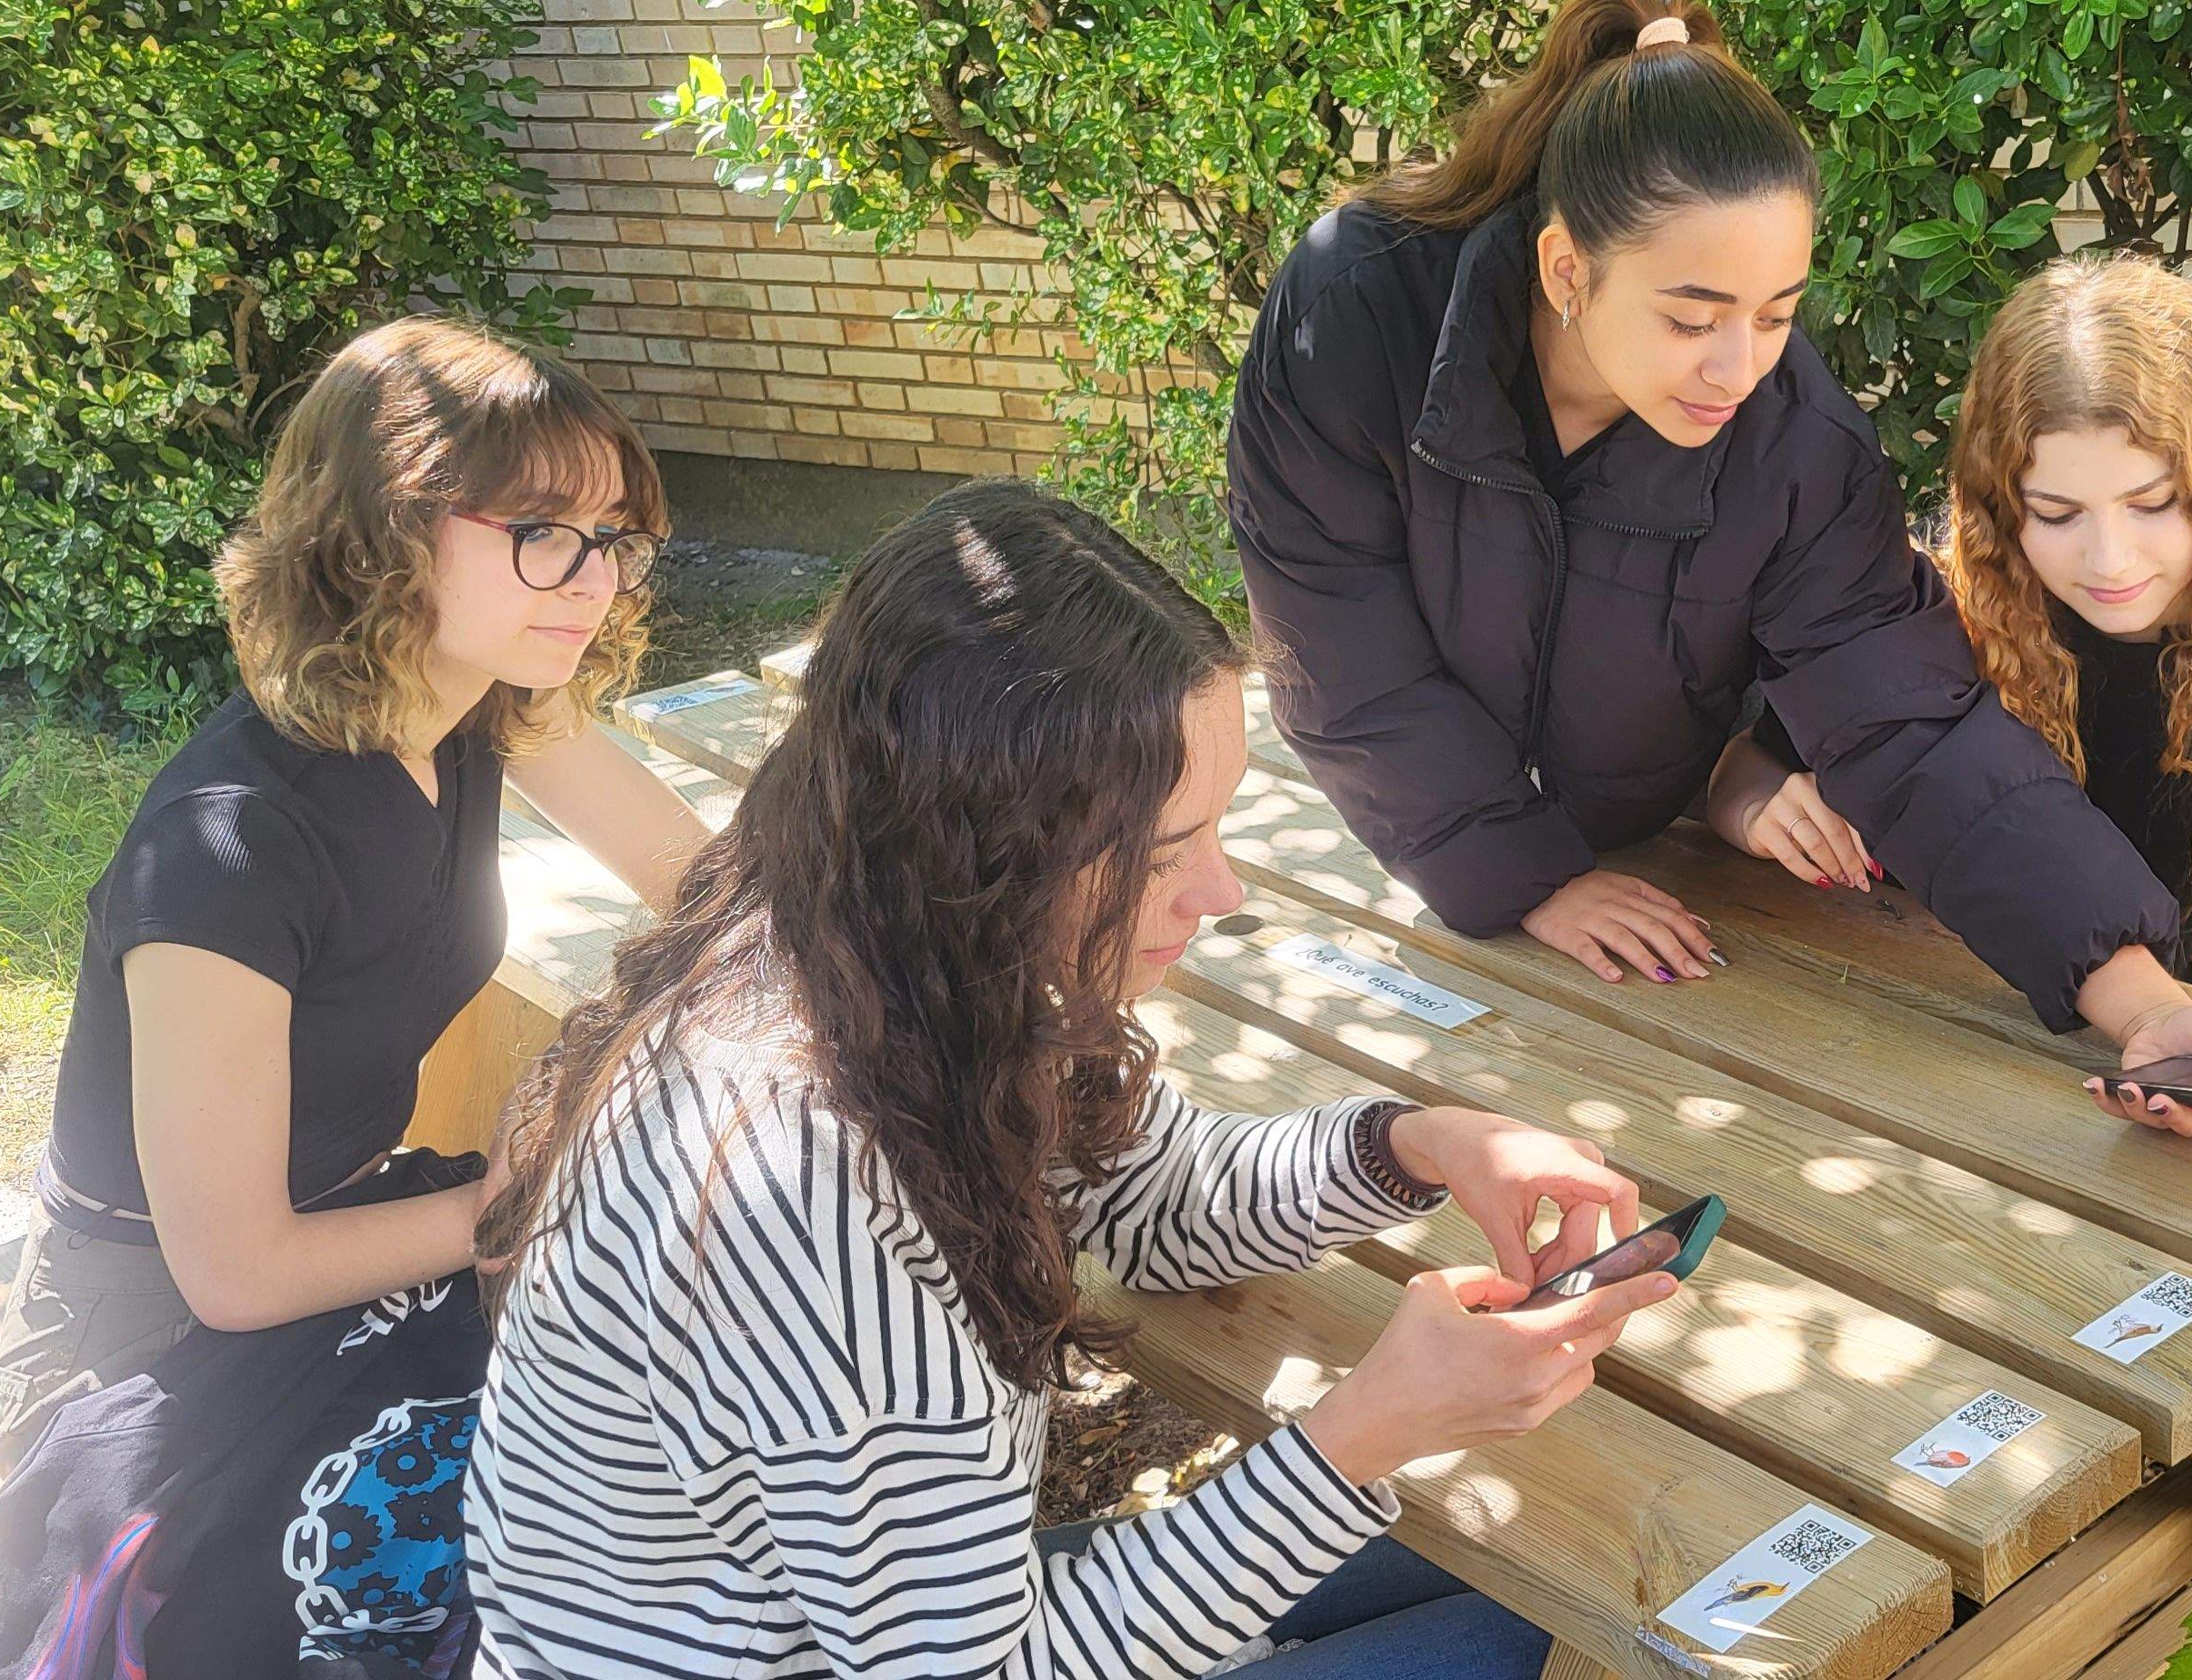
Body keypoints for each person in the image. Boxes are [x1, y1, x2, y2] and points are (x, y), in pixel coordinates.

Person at [465, 480, 1670, 1680]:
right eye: (1161, 852)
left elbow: (1147, 1200)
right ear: (980, 844)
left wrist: (1419, 1146)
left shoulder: (889, 941)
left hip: (873, 1628)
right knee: (1548, 1643)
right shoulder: (801, 1189)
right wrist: (1366, 1434)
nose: (1222, 894)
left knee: (1526, 1600)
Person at [1225, 0, 2192, 1128]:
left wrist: (2140, 1001)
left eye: (1776, 315)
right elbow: (1338, 652)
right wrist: (1529, 878)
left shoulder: (1794, 448)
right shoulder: (1353, 316)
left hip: (1652, 864)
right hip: (1414, 855)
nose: (1736, 368)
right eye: (1692, 317)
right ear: (1567, 268)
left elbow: (1911, 727)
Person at [0, 315, 710, 1475]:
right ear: (386, 533)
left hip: (373, 1239)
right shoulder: (227, 850)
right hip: (152, 1357)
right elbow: (236, 1273)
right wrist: (529, 1192)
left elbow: (713, 884)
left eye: (614, 537)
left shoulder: (487, 697)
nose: (596, 580)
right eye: (540, 533)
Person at [1713, 256, 2192, 1062]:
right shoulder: (1944, 609)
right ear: (2000, 509)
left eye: (2152, 504)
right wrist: (1756, 805)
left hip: (2167, 1085)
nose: (2109, 560)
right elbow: (1745, 764)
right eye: (2057, 513)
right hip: (1905, 1047)